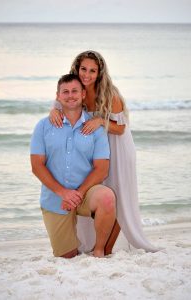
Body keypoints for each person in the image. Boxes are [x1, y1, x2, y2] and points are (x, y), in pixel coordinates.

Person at [50, 50, 158, 254]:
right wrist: (54, 110)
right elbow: (60, 103)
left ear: (100, 72)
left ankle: (106, 249)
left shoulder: (110, 95)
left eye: (92, 70)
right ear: (76, 68)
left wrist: (100, 121)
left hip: (117, 149)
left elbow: (121, 129)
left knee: (117, 197)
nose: (87, 75)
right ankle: (93, 244)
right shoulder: (75, 89)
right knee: (97, 197)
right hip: (93, 151)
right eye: (83, 69)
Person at [30, 74, 116, 258]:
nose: (70, 95)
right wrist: (63, 193)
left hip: (86, 194)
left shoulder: (95, 129)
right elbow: (37, 166)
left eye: (75, 91)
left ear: (83, 94)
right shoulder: (43, 126)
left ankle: (99, 251)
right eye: (65, 92)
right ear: (58, 96)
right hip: (55, 199)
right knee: (66, 257)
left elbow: (102, 169)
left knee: (107, 197)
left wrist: (78, 194)